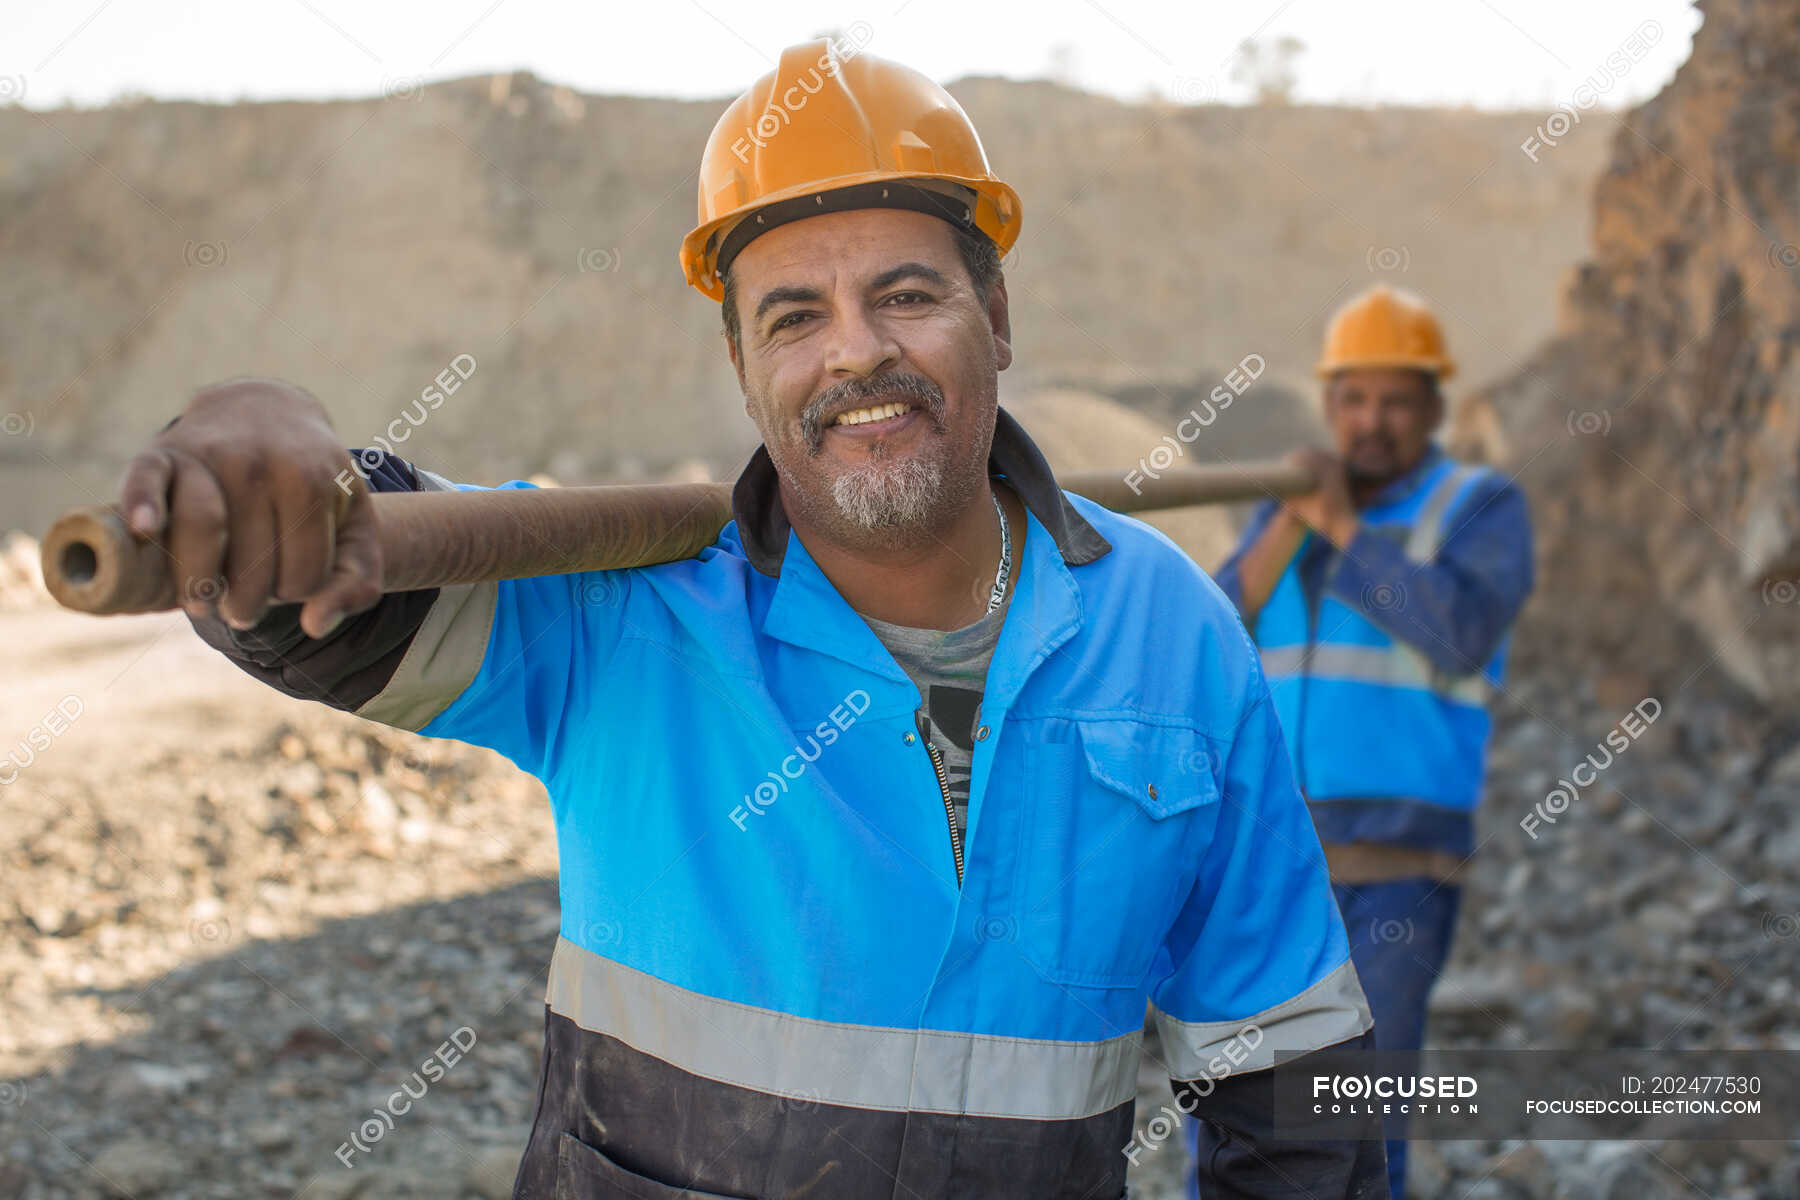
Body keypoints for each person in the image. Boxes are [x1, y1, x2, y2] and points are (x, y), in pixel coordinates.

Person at [121, 40, 1385, 1199]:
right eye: (794, 317)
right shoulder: (623, 615)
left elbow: (1297, 1087)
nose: (854, 355)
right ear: (741, 365)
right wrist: (255, 450)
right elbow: (318, 613)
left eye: (906, 295)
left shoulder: (1171, 629)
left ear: (995, 317)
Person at [1197, 284, 1535, 1198]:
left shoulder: (1478, 506)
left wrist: (1342, 526)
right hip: (1271, 869)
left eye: (1394, 400)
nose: (1371, 421)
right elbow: (1210, 634)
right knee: (1238, 1117)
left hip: (1394, 875)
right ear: (1328, 404)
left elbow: (1457, 631)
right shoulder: (1293, 517)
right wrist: (1287, 524)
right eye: (1353, 399)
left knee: (1353, 1130)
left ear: (1432, 406)